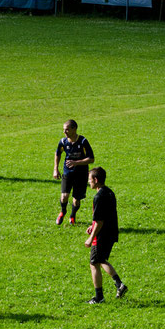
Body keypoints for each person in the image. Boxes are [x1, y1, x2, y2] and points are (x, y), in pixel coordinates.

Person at [84, 167, 127, 304]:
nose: (88, 182)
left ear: (96, 180)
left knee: (94, 263)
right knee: (101, 260)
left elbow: (100, 221)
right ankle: (119, 284)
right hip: (111, 231)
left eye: (90, 179)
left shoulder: (98, 196)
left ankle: (99, 297)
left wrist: (91, 237)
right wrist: (93, 225)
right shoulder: (109, 192)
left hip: (102, 234)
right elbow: (104, 216)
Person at [53, 119, 94, 225]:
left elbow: (91, 159)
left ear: (74, 129)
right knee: (64, 196)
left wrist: (76, 163)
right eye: (63, 130)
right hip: (67, 173)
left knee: (76, 200)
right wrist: (55, 169)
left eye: (66, 130)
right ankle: (62, 212)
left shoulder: (83, 141)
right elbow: (58, 153)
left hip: (81, 174)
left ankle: (72, 215)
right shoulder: (63, 142)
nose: (64, 132)